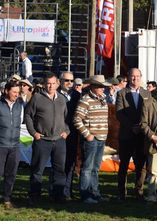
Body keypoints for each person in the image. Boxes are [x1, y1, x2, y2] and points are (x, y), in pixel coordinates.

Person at [24, 72, 70, 204]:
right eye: (48, 83)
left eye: (53, 83)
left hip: (59, 141)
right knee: (37, 170)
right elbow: (28, 116)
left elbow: (66, 118)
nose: (50, 86)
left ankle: (58, 196)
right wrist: (34, 133)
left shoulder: (62, 99)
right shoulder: (37, 98)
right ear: (44, 84)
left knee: (59, 170)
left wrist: (66, 131)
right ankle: (34, 195)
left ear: (57, 84)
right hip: (42, 140)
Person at [73, 75, 111, 204]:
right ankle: (85, 195)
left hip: (101, 138)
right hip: (91, 138)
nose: (103, 89)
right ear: (93, 87)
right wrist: (87, 134)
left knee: (95, 168)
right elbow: (77, 119)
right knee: (87, 168)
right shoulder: (85, 100)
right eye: (100, 86)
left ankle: (95, 193)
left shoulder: (103, 99)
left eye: (103, 86)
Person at [115, 68, 151, 200]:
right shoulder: (121, 93)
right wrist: (132, 127)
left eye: (137, 76)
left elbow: (150, 113)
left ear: (141, 77)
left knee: (141, 166)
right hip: (127, 135)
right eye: (132, 76)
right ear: (128, 77)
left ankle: (139, 191)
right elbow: (119, 113)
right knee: (123, 165)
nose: (135, 79)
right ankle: (121, 193)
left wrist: (141, 128)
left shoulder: (147, 93)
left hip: (142, 135)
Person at [59, 71, 81, 201]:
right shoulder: (55, 95)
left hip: (73, 134)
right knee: (58, 164)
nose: (69, 83)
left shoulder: (77, 95)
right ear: (60, 81)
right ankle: (56, 190)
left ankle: (67, 190)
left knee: (71, 163)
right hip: (58, 133)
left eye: (71, 81)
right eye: (66, 80)